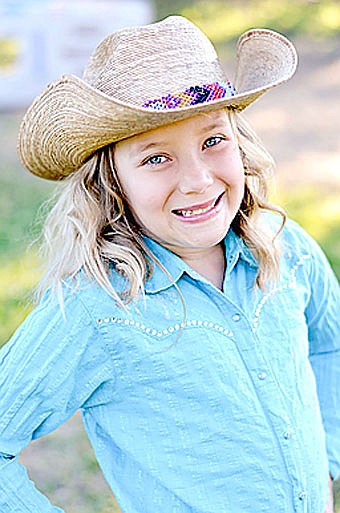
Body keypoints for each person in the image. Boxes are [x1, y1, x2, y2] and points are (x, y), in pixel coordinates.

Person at [0, 15, 338, 513]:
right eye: (156, 157)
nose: (198, 180)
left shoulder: (288, 250)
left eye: (212, 140)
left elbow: (331, 345)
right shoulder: (97, 311)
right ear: (111, 181)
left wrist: (329, 454)